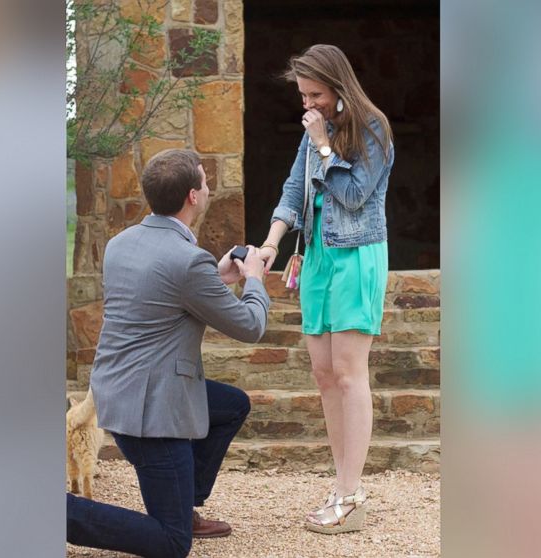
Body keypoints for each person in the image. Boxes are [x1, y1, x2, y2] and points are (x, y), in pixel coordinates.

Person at [66, 149, 270, 557]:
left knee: (230, 405)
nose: (209, 187)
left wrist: (214, 274)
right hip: (152, 414)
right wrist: (254, 279)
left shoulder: (121, 243)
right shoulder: (187, 260)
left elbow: (161, 292)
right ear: (193, 196)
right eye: (205, 181)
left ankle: (182, 499)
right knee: (172, 543)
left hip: (117, 392)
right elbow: (250, 326)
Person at [258, 44, 395, 534]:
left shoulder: (372, 128)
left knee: (347, 370)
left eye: (315, 94)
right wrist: (273, 241)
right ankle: (342, 486)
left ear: (338, 86)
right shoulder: (314, 130)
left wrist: (322, 145)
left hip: (357, 254)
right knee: (321, 372)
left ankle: (352, 494)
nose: (307, 104)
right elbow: (294, 191)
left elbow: (355, 195)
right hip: (314, 256)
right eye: (302, 96)